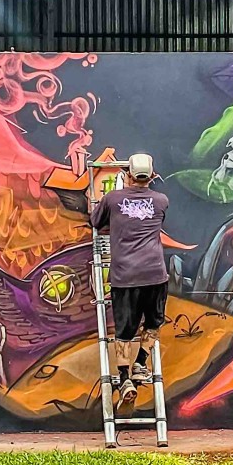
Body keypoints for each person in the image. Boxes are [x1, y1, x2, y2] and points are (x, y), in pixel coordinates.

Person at [89, 152, 171, 406]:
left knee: (124, 332)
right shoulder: (161, 201)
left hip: (125, 277)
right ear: (152, 176)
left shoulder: (112, 199)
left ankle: (124, 378)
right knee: (154, 323)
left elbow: (95, 222)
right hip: (155, 274)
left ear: (128, 175)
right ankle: (140, 363)